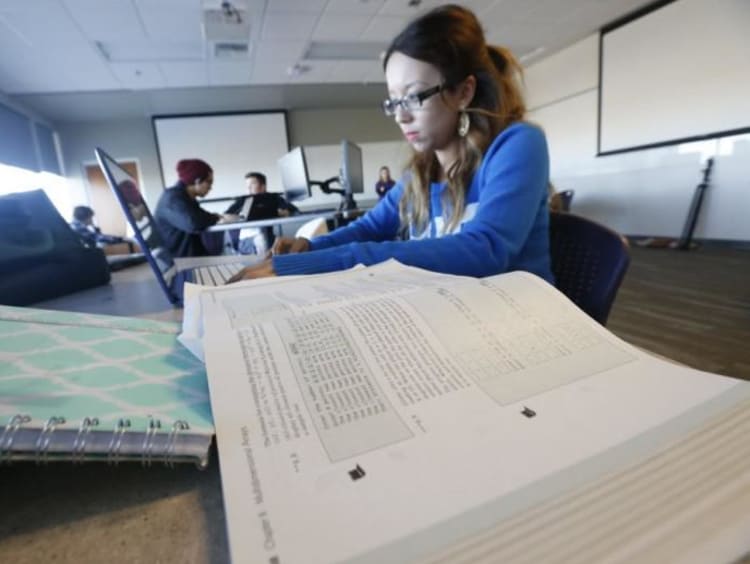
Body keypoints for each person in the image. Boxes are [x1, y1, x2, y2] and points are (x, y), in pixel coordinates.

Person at [229, 4, 552, 283]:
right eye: (394, 102)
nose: (401, 116)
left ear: (463, 92)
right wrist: (310, 248)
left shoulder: (518, 144)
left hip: (523, 323)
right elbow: (370, 228)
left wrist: (320, 263)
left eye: (413, 97)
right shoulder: (422, 174)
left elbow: (486, 249)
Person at [153, 158, 238, 258]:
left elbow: (201, 216)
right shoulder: (172, 198)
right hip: (180, 261)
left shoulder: (185, 197)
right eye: (209, 182)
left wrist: (220, 217)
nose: (210, 187)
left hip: (193, 256)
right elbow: (193, 223)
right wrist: (218, 218)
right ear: (197, 181)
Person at [225, 172, 298, 255]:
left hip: (267, 238)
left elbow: (293, 210)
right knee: (263, 242)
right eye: (247, 185)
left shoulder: (273, 198)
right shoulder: (243, 200)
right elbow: (225, 216)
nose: (248, 187)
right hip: (246, 240)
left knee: (287, 247)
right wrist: (240, 217)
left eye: (252, 184)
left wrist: (280, 213)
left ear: (263, 187)